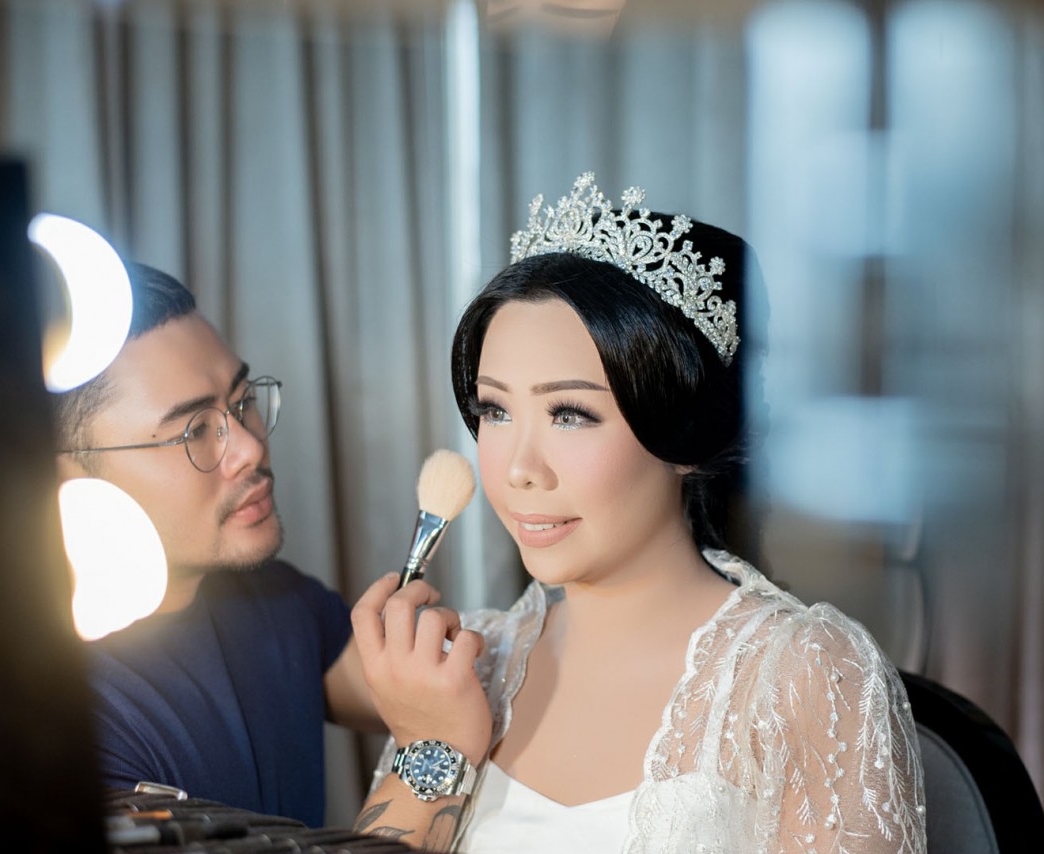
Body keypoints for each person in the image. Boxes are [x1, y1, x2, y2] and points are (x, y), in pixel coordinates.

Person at [349, 173, 926, 852]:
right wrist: (432, 743)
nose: (518, 468)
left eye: (570, 413)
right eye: (495, 410)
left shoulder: (808, 677)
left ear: (685, 439)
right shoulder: (463, 665)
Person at [53, 263, 456, 827]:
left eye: (242, 401)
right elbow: (436, 721)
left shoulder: (274, 599)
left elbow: (427, 691)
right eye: (195, 431)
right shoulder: (54, 721)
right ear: (68, 477)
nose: (249, 446)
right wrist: (435, 747)